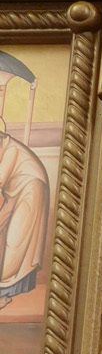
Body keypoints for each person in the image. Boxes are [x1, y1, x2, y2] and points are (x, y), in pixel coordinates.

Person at [0, 122, 49, 309]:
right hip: (13, 192)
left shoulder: (10, 149)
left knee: (16, 240)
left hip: (31, 188)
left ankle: (4, 293)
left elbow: (0, 178)